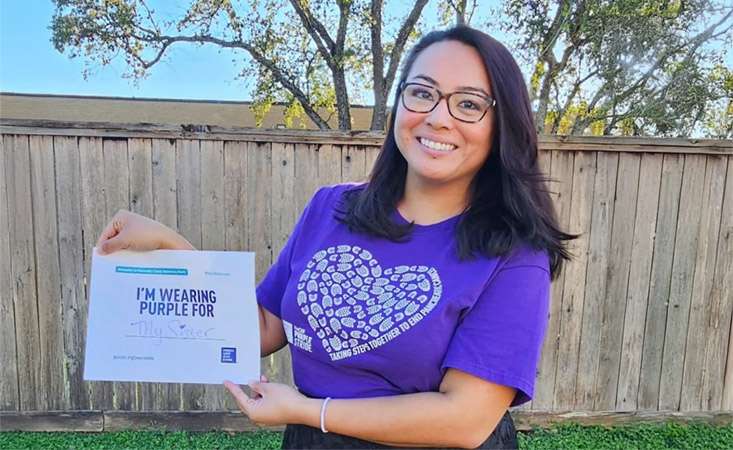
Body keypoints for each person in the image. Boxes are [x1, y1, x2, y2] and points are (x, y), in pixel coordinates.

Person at [96, 25, 575, 449]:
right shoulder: (333, 208)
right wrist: (172, 248)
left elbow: (464, 419)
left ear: (501, 126)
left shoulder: (514, 253)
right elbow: (264, 326)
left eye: (468, 104)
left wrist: (309, 411)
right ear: (400, 104)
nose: (438, 117)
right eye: (422, 93)